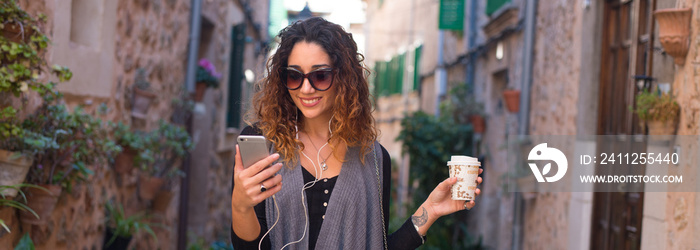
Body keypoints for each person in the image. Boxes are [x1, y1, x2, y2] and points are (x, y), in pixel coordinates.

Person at [230, 17, 483, 250]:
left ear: (344, 77)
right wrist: (241, 205)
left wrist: (431, 210)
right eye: (294, 76)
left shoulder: (373, 158)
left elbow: (379, 245)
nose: (306, 88)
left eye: (320, 75)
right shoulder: (264, 143)